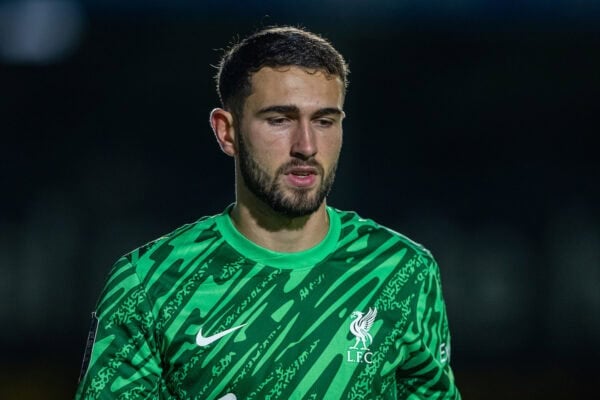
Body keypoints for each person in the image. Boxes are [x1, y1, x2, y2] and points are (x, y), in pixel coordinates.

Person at [75, 26, 461, 399]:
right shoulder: (148, 283)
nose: (306, 146)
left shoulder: (404, 271)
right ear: (226, 132)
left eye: (324, 121)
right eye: (280, 120)